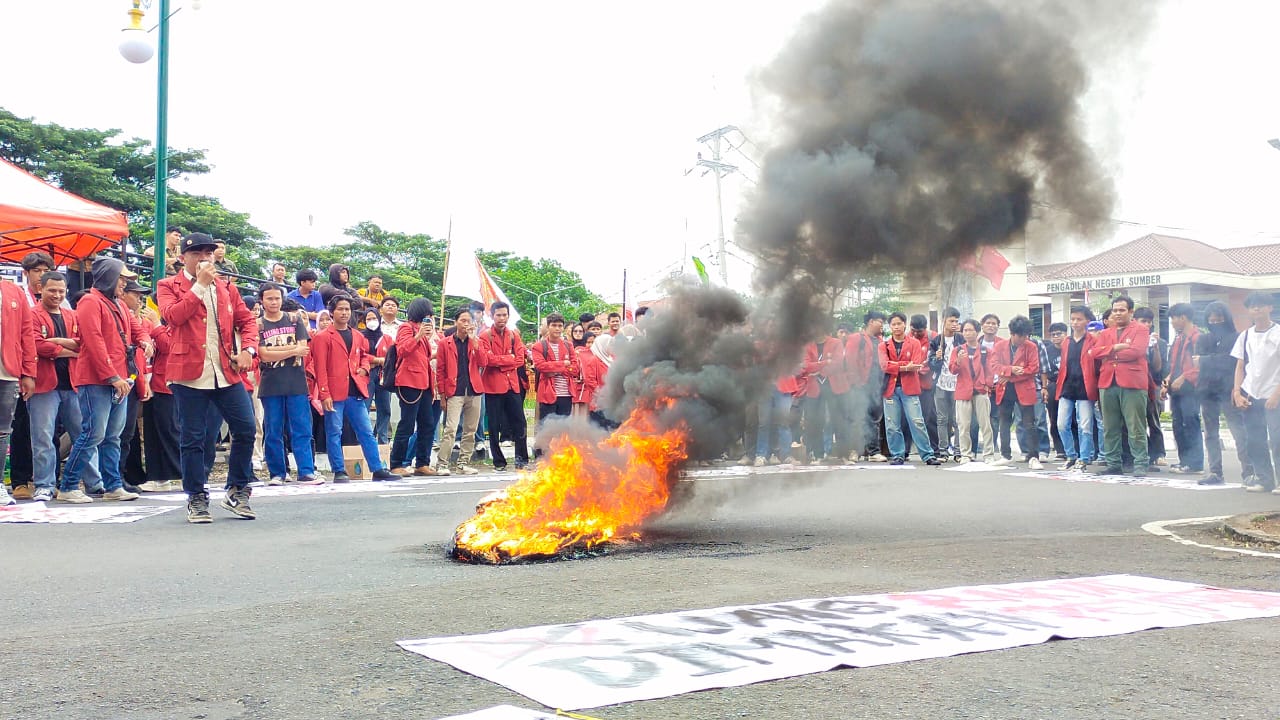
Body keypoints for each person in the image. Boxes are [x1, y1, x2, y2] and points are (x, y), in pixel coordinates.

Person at [157, 233, 260, 522]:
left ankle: (237, 489)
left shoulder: (227, 288)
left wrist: (249, 349)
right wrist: (200, 285)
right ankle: (196, 496)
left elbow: (247, 320)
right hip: (188, 373)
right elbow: (173, 317)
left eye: (208, 252)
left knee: (245, 428)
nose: (204, 257)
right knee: (193, 437)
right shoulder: (168, 286)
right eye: (196, 253)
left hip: (225, 370)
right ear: (182, 257)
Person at [58, 258, 145, 504]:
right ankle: (69, 485)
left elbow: (135, 329)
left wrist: (145, 340)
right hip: (98, 379)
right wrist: (112, 376)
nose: (125, 283)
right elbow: (94, 341)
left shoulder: (115, 303)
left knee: (112, 436)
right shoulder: (90, 302)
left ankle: (112, 485)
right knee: (93, 434)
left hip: (118, 379)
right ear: (109, 277)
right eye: (122, 278)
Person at [312, 296, 396, 482]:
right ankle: (339, 470)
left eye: (347, 309)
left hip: (356, 390)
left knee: (365, 430)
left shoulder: (358, 335)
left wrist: (365, 369)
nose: (344, 313)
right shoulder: (322, 337)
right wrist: (324, 393)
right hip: (334, 392)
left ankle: (377, 468)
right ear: (332, 312)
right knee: (334, 431)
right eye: (340, 309)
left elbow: (365, 356)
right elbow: (320, 368)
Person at [256, 283, 319, 485]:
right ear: (262, 301)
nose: (274, 302)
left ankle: (306, 471)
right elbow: (263, 354)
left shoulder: (293, 319)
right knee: (273, 430)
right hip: (270, 383)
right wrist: (292, 350)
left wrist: (278, 351)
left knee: (301, 428)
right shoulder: (258, 324)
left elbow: (304, 348)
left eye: (277, 298)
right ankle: (277, 473)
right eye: (269, 298)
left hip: (296, 382)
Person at [26, 271, 77, 503]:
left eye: (61, 291)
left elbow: (84, 344)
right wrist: (68, 349)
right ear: (40, 288)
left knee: (84, 435)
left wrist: (55, 343)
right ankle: (44, 484)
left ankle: (93, 482)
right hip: (43, 384)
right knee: (43, 437)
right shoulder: (32, 315)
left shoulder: (72, 315)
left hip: (73, 384)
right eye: (52, 290)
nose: (57, 295)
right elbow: (36, 345)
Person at [1091, 296, 1151, 476]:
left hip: (1132, 382)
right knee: (1110, 426)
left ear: (1131, 312)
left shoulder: (1140, 329)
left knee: (1135, 426)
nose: (1117, 313)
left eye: (1121, 310)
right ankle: (1113, 463)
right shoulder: (1106, 333)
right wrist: (1116, 348)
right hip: (1108, 382)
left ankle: (1140, 463)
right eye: (1115, 310)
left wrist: (1109, 352)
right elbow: (1094, 353)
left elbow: (1136, 351)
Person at [1195, 301, 1250, 486]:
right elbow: (1197, 362)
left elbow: (1230, 362)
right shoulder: (1203, 339)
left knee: (1238, 431)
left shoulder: (1237, 337)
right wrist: (1208, 361)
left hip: (1229, 390)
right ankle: (1215, 472)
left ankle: (1248, 472)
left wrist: (1205, 360)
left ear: (1226, 317)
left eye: (1218, 317)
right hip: (1207, 391)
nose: (1214, 320)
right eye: (1211, 317)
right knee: (1210, 433)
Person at [1232, 291, 1280, 493]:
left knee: (1277, 439)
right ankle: (1264, 479)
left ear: (1270, 308)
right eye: (1252, 306)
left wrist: (1276, 394)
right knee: (1254, 439)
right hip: (1251, 394)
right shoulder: (1245, 336)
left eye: (1261, 305)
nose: (1256, 309)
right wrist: (1237, 392)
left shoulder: (1278, 333)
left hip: (1274, 394)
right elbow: (1240, 366)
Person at [879, 312, 941, 466]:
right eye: (893, 324)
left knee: (917, 421)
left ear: (905, 324)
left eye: (899, 323)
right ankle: (897, 454)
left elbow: (917, 363)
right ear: (890, 326)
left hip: (910, 388)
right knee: (892, 425)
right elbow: (884, 365)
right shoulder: (884, 345)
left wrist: (897, 366)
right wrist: (906, 366)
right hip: (890, 389)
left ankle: (927, 454)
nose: (896, 327)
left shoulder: (914, 343)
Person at [389, 299, 439, 476]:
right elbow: (403, 350)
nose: (430, 318)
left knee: (427, 424)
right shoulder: (406, 328)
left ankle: (422, 462)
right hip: (409, 382)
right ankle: (396, 463)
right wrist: (418, 336)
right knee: (407, 424)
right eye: (428, 314)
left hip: (424, 383)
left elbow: (421, 357)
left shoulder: (423, 333)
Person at [478, 301, 529, 471]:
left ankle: (521, 459)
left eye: (504, 315)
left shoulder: (514, 335)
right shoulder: (486, 336)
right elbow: (486, 360)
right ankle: (498, 461)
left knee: (519, 422)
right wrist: (508, 359)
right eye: (498, 315)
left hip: (512, 385)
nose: (502, 318)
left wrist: (500, 361)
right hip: (493, 386)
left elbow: (520, 360)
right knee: (494, 425)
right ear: (492, 316)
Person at [436, 308, 484, 475]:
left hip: (473, 390)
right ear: (456, 322)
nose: (466, 324)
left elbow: (483, 362)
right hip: (454, 391)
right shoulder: (445, 343)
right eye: (462, 320)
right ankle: (442, 463)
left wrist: (475, 341)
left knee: (470, 429)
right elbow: (440, 370)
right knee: (451, 428)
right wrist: (442, 395)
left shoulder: (476, 341)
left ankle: (463, 463)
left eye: (469, 321)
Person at [992, 315, 1043, 469]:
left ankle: (1033, 456)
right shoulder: (1000, 346)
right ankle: (1005, 455)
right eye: (1021, 335)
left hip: (1024, 388)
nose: (1024, 338)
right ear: (1012, 334)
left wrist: (1008, 376)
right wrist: (1011, 370)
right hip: (1005, 389)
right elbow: (994, 365)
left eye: (1026, 335)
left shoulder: (1031, 346)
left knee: (1029, 423)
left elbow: (1033, 368)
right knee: (1004, 422)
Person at [1054, 306, 1098, 471]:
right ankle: (1071, 455)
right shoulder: (1066, 341)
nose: (1075, 322)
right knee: (1061, 424)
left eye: (1079, 319)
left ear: (1087, 321)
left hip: (1085, 387)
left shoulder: (1093, 340)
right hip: (1067, 387)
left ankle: (1084, 458)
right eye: (1072, 319)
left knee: (1085, 425)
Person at [531, 313, 579, 457]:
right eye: (554, 325)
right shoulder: (539, 346)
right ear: (548, 326)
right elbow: (541, 367)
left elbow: (575, 368)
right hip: (548, 393)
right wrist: (563, 364)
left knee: (563, 429)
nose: (557, 329)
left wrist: (555, 368)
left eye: (560, 326)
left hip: (566, 393)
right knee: (546, 427)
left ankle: (558, 457)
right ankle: (541, 457)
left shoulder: (568, 345)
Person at [1163, 303, 1203, 476]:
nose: (1172, 322)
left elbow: (1200, 365)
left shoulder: (1197, 338)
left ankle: (1195, 463)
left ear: (1183, 318)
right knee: (1178, 424)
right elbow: (1173, 363)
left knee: (1190, 423)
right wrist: (1168, 379)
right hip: (1177, 390)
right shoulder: (1179, 338)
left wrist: (1184, 377)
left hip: (1191, 389)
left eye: (1173, 318)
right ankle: (1184, 461)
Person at [801, 328, 850, 464]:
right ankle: (818, 455)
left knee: (839, 420)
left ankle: (843, 455)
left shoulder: (836, 342)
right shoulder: (808, 345)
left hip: (835, 386)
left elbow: (838, 363)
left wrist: (819, 372)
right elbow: (806, 366)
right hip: (814, 388)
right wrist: (824, 363)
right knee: (815, 421)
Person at [949, 319, 995, 463]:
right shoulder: (958, 350)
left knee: (985, 424)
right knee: (963, 425)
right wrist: (957, 361)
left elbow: (990, 370)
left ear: (977, 331)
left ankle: (988, 454)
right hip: (963, 391)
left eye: (970, 330)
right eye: (965, 330)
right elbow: (952, 370)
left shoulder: (985, 350)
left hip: (980, 390)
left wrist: (987, 385)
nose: (967, 333)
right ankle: (966, 454)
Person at [846, 310, 888, 462]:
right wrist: (855, 383)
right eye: (880, 322)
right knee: (858, 418)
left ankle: (873, 451)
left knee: (874, 419)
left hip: (876, 385)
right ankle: (854, 451)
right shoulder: (857, 338)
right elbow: (850, 361)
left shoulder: (881, 340)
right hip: (860, 384)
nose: (882, 325)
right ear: (871, 322)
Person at [1133, 307, 1168, 466]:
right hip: (1135, 384)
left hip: (1153, 384)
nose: (1146, 325)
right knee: (1136, 422)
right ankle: (1146, 452)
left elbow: (1158, 367)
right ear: (1135, 321)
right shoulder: (1131, 339)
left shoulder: (1159, 342)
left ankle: (1159, 453)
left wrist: (1154, 348)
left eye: (1149, 322)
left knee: (1153, 420)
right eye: (1143, 321)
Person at [929, 307, 962, 460]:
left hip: (958, 383)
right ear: (944, 321)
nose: (954, 324)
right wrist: (937, 357)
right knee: (942, 419)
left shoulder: (961, 340)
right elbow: (931, 365)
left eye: (956, 321)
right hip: (941, 383)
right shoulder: (936, 340)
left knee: (957, 419)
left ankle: (958, 451)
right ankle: (943, 451)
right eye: (951, 321)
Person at [362, 306, 395, 443]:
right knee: (364, 407)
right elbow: (359, 354)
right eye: (368, 319)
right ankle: (364, 439)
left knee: (385, 408)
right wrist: (376, 360)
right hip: (366, 375)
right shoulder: (360, 336)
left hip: (383, 375)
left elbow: (393, 355)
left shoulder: (386, 338)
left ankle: (383, 441)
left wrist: (383, 361)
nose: (372, 321)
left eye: (374, 318)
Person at [909, 315, 940, 454]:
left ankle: (934, 448)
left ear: (925, 328)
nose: (915, 334)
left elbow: (937, 359)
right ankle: (906, 449)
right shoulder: (906, 337)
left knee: (929, 417)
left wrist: (923, 368)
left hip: (927, 383)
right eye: (913, 330)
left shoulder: (934, 337)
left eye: (919, 332)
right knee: (909, 418)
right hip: (910, 383)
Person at [1042, 322, 1068, 459]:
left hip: (1069, 385)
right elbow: (1043, 371)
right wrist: (1044, 388)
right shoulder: (1047, 350)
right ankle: (1060, 449)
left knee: (1071, 418)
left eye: (1059, 334)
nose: (1056, 337)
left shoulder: (1071, 346)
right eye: (1053, 335)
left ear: (1066, 334)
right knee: (1054, 418)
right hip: (1053, 385)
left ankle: (1073, 448)